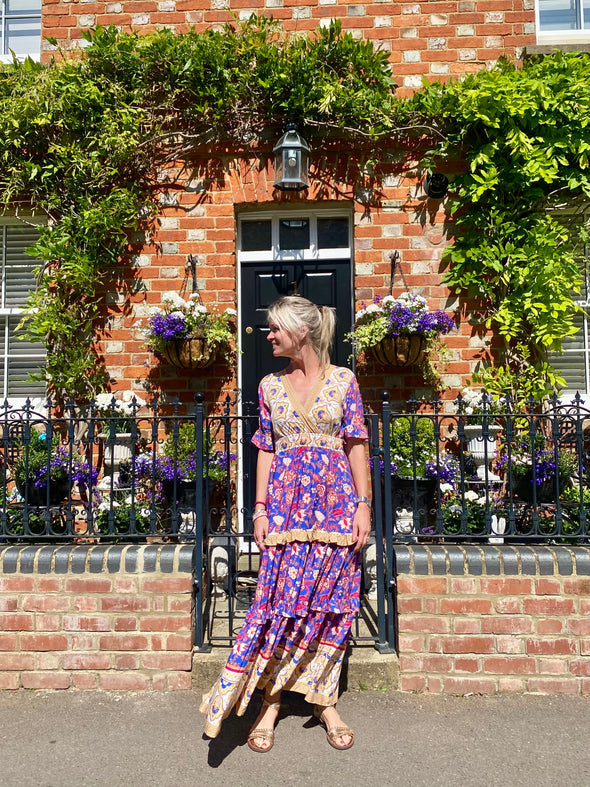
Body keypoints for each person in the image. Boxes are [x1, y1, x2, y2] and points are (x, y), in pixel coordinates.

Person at [200, 295, 371, 752]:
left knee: (330, 603)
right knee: (279, 602)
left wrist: (363, 503)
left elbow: (356, 445)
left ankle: (323, 698)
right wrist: (257, 508)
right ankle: (270, 700)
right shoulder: (269, 386)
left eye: (275, 328)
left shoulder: (344, 381)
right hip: (285, 510)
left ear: (300, 331)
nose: (269, 335)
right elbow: (265, 449)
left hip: (335, 506)